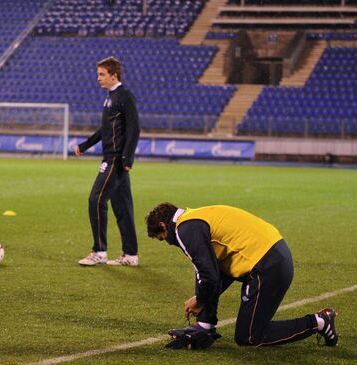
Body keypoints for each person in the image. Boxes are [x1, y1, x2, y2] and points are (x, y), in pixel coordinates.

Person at [145, 203, 338, 349]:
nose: (169, 242)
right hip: (272, 255)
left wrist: (200, 300)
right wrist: (205, 322)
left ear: (163, 225)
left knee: (249, 336)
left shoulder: (184, 229)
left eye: (164, 238)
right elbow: (214, 272)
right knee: (208, 274)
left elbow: (209, 276)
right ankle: (205, 325)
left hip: (269, 265)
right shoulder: (194, 217)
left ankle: (319, 322)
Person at [76, 56, 141, 267]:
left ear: (114, 75)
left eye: (102, 74)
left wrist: (127, 158)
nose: (98, 78)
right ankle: (130, 255)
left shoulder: (125, 96)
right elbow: (106, 129)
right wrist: (85, 145)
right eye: (98, 74)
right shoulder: (110, 97)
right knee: (123, 208)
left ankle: (99, 251)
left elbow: (134, 128)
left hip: (116, 159)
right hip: (113, 158)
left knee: (96, 200)